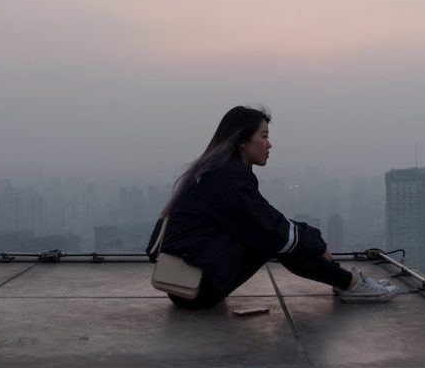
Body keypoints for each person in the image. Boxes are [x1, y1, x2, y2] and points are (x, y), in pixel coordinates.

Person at [147, 105, 397, 308]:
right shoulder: (227, 177)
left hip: (188, 283)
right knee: (272, 238)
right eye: (264, 136)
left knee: (273, 235)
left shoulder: (219, 171)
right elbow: (272, 227)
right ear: (242, 141)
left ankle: (347, 281)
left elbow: (267, 219)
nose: (269, 145)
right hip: (199, 286)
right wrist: (317, 244)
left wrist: (310, 242)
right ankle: (351, 283)